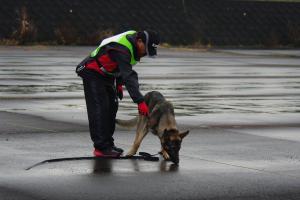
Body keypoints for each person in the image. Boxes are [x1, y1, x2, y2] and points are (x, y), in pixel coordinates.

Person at [76, 30, 160, 157]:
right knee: (100, 109)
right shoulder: (123, 48)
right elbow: (129, 75)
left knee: (112, 107)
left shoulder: (134, 44)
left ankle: (108, 144)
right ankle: (101, 148)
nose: (145, 54)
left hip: (106, 74)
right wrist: (140, 101)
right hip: (92, 71)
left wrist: (119, 82)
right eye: (146, 50)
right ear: (139, 41)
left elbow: (121, 66)